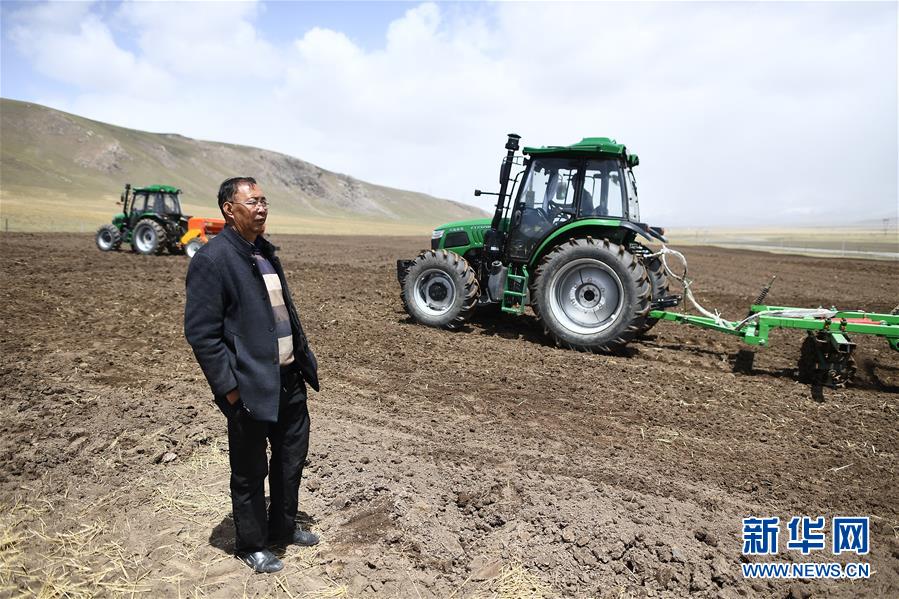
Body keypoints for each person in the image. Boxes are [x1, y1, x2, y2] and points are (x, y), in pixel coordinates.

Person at [184, 177, 320, 573]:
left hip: (289, 380)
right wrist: (230, 390)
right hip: (248, 387)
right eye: (252, 202)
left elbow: (282, 312)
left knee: (290, 461)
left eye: (264, 201)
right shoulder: (213, 260)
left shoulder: (264, 252)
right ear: (229, 209)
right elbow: (202, 334)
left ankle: (282, 527)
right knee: (249, 470)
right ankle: (252, 544)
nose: (261, 208)